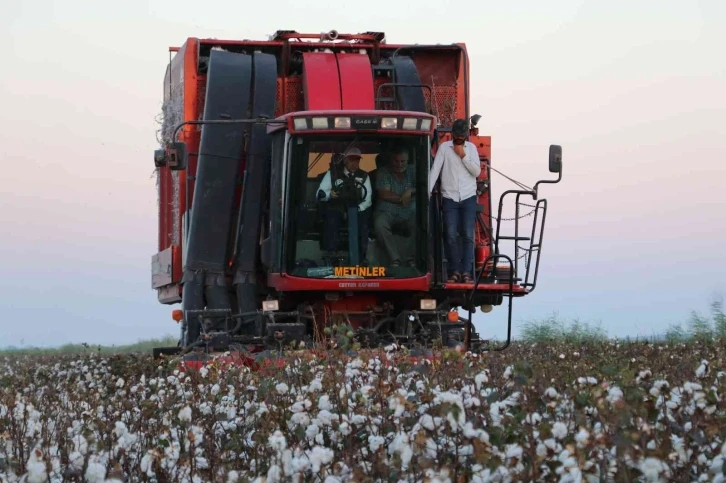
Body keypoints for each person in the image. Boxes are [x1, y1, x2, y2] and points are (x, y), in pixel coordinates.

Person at [428, 119, 481, 283]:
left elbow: (477, 172)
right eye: (457, 135)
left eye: (462, 135)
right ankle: (454, 271)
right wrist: (428, 192)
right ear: (452, 134)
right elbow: (435, 169)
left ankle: (466, 272)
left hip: (468, 197)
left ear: (465, 135)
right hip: (449, 197)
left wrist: (463, 156)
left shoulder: (471, 149)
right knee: (450, 235)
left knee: (467, 235)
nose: (459, 138)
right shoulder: (444, 148)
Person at [317, 147, 373, 263]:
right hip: (337, 208)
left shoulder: (364, 176)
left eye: (357, 160)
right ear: (345, 160)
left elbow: (368, 199)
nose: (354, 163)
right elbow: (320, 193)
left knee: (363, 224)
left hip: (356, 209)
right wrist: (329, 194)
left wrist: (358, 209)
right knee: (331, 218)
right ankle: (331, 255)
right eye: (351, 160)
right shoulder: (333, 174)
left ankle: (361, 258)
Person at [373, 147, 417, 267]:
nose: (399, 164)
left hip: (410, 212)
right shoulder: (383, 172)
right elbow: (384, 193)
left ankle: (410, 258)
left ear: (408, 160)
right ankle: (395, 259)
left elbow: (424, 186)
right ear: (390, 160)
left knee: (422, 221)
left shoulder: (414, 170)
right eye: (396, 161)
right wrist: (402, 198)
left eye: (403, 161)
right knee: (379, 223)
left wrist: (411, 190)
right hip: (388, 211)